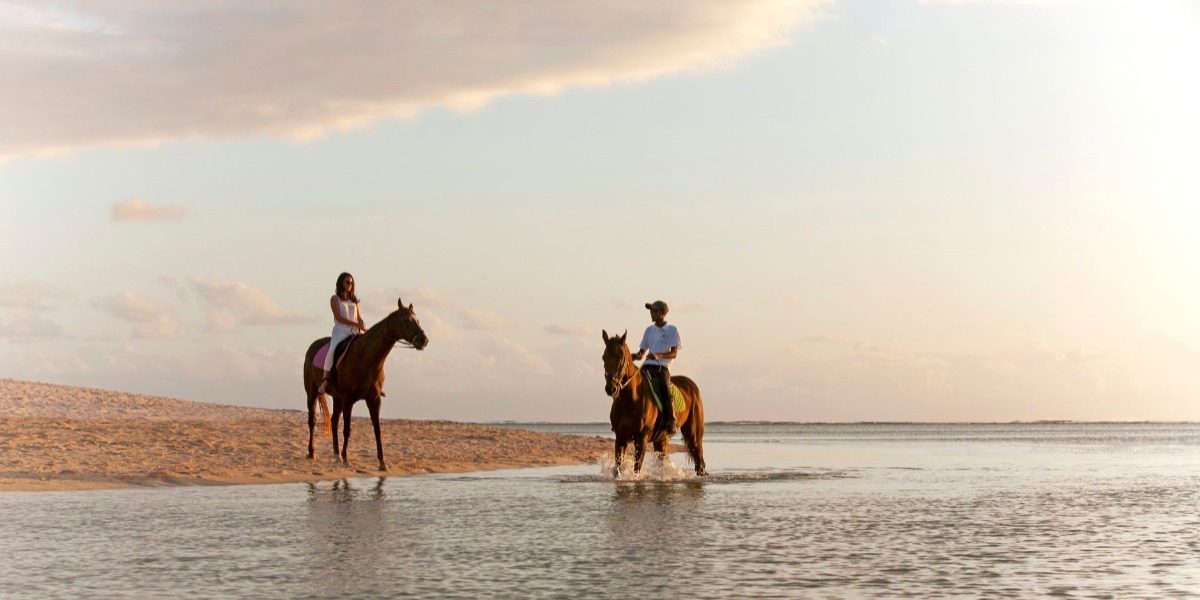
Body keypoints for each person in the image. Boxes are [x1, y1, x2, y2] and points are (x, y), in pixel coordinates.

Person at [631, 300, 681, 436]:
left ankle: (671, 420)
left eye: (654, 311)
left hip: (661, 367)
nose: (651, 314)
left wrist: (658, 355)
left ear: (663, 313)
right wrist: (634, 356)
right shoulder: (649, 330)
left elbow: (674, 353)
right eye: (651, 311)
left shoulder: (672, 330)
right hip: (647, 366)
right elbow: (642, 352)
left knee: (664, 388)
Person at [317, 272, 366, 394]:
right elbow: (338, 317)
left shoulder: (354, 301)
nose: (350, 285)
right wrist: (355, 324)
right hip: (340, 331)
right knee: (332, 350)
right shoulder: (335, 299)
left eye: (352, 283)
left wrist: (362, 325)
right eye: (347, 282)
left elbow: (358, 317)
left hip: (354, 332)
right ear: (341, 283)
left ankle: (371, 382)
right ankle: (325, 379)